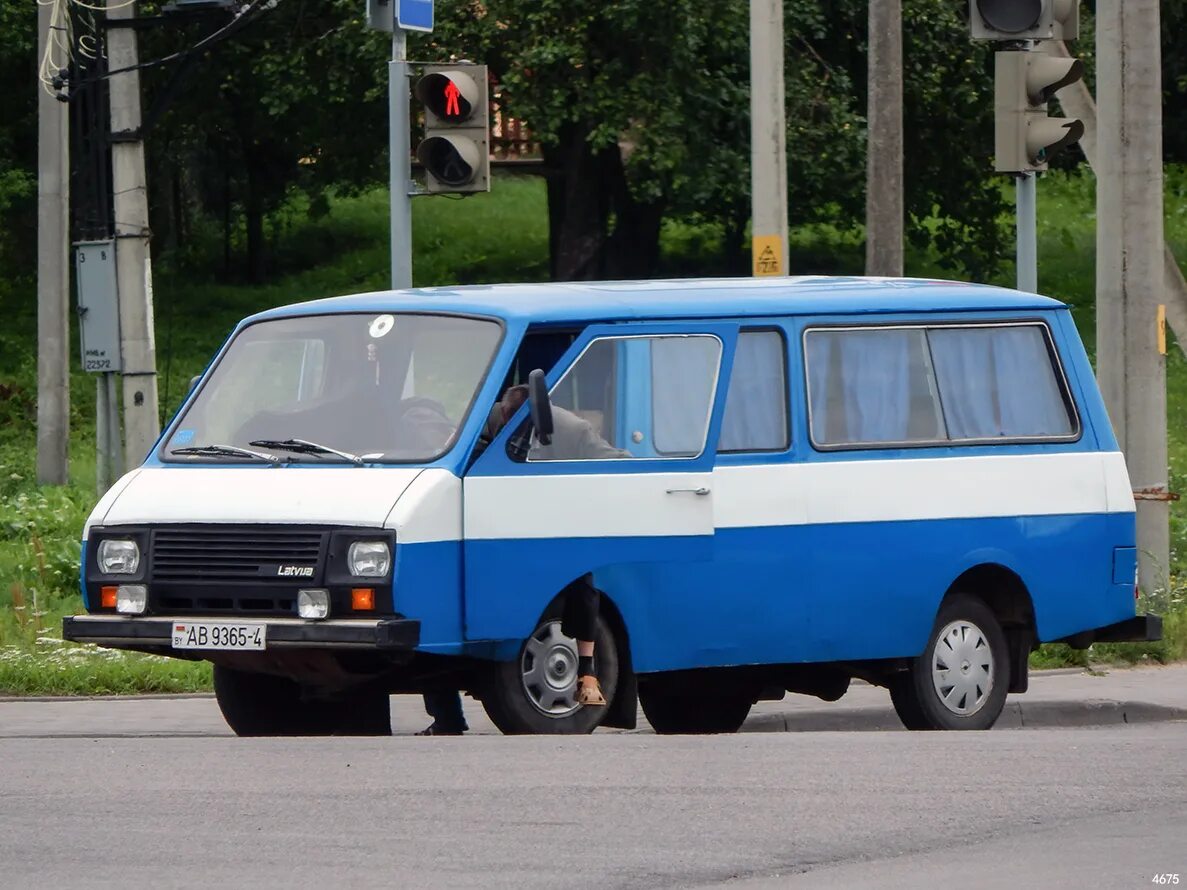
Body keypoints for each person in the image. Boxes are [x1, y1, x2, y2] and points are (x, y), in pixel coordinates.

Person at [417, 383, 622, 733]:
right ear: (504, 417)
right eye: (509, 426)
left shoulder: (572, 429)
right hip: (493, 532)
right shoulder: (480, 423)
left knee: (582, 587)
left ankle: (587, 670)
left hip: (554, 528)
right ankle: (446, 717)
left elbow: (618, 464)